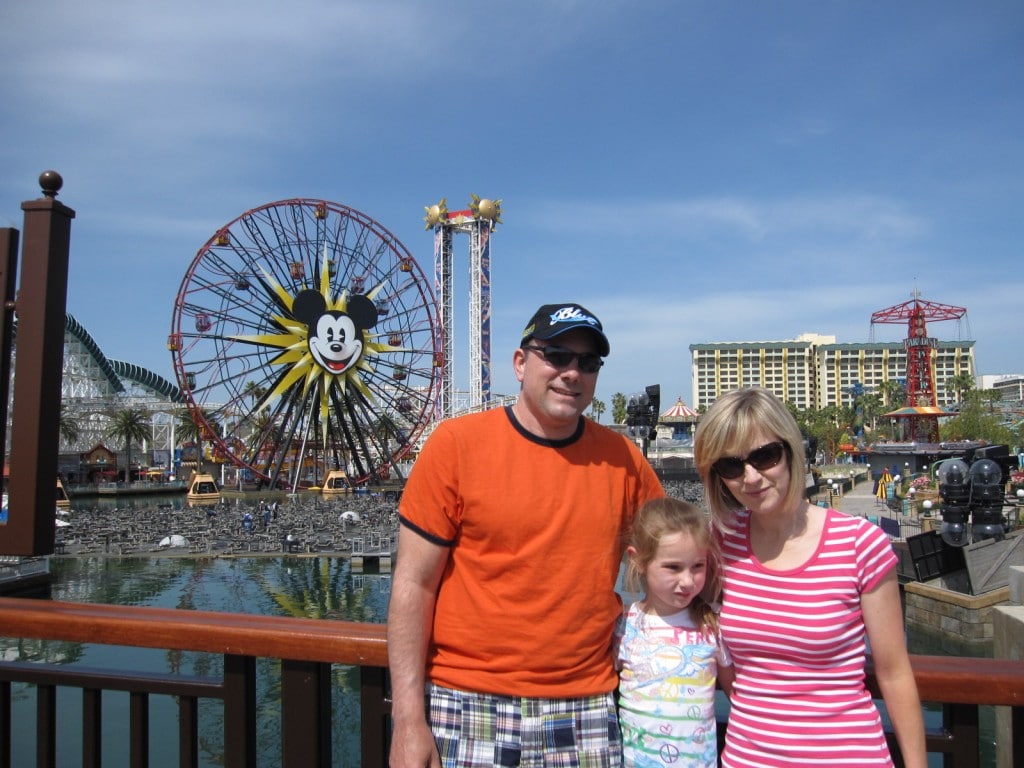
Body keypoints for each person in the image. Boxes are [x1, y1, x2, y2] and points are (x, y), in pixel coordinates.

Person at [387, 302, 665, 768]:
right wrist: (409, 722)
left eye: (588, 363)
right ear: (521, 363)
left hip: (586, 703)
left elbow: (677, 554)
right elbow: (414, 584)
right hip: (467, 698)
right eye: (556, 356)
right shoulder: (454, 446)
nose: (571, 373)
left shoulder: (624, 459)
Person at [692, 388, 926, 768]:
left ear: (790, 451)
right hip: (748, 758)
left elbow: (894, 672)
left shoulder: (859, 544)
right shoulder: (720, 542)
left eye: (764, 456)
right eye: (731, 466)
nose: (751, 477)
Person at [615, 497, 734, 768]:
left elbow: (736, 694)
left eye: (698, 566)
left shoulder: (712, 626)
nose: (688, 581)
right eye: (673, 567)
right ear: (638, 561)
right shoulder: (626, 625)